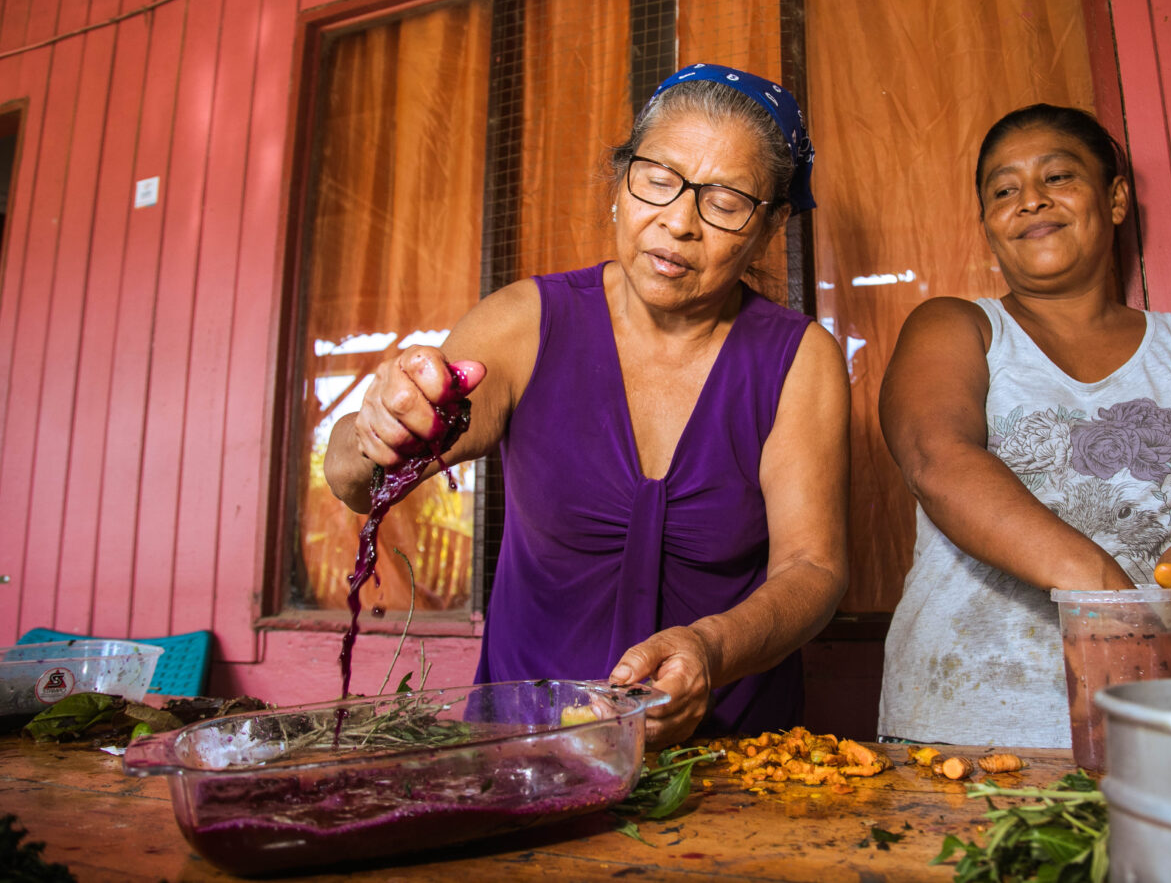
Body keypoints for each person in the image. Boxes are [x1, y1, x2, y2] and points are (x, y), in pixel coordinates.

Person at [324, 64, 850, 747]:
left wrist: (710, 649)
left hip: (730, 761)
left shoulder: (797, 358)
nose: (679, 221)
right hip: (523, 751)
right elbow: (358, 480)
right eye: (658, 179)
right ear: (620, 180)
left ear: (771, 223)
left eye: (724, 201)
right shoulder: (525, 323)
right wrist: (376, 431)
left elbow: (814, 568)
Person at [876, 103, 1171, 747]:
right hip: (970, 724)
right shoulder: (956, 327)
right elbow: (938, 460)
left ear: (1117, 198)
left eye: (1058, 177)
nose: (1030, 201)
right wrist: (1107, 591)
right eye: (1004, 190)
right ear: (988, 225)